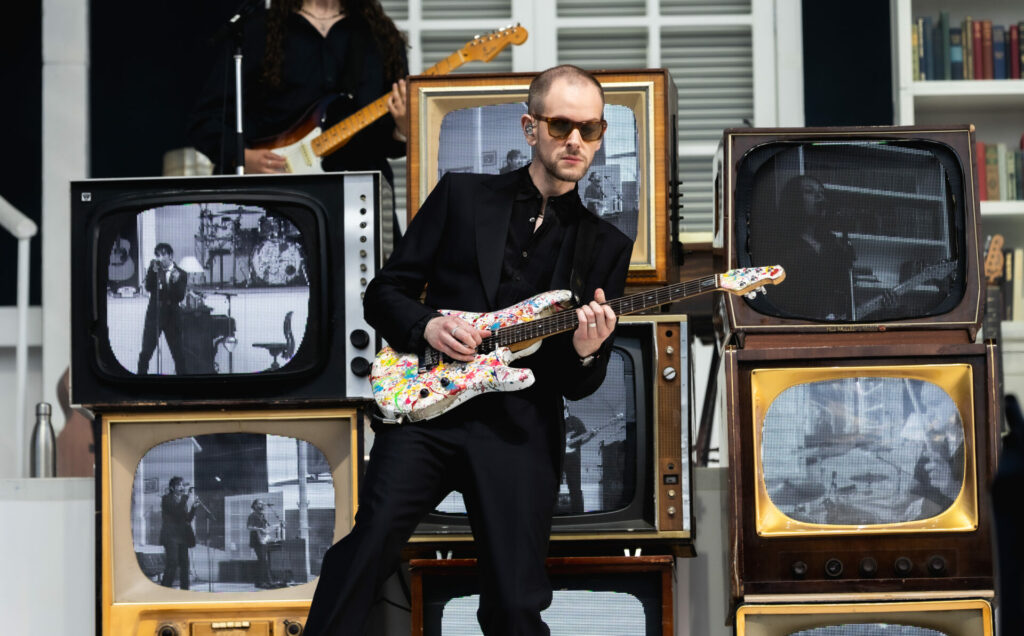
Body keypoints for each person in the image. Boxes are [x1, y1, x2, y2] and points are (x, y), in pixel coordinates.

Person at [303, 64, 633, 635]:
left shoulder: (605, 244)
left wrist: (586, 350)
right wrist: (428, 326)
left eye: (591, 129)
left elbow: (578, 382)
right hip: (427, 412)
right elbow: (385, 293)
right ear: (530, 128)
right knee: (369, 545)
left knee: (514, 600)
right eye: (560, 126)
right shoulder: (461, 195)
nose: (576, 141)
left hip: (518, 428)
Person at [187, 0, 409, 247]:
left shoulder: (379, 35)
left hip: (361, 202)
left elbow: (389, 139)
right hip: (280, 201)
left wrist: (402, 128)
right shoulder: (258, 31)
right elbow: (205, 120)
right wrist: (242, 157)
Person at [766, 174, 856, 320]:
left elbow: (844, 295)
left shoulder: (834, 245)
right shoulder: (779, 245)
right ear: (794, 200)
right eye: (810, 192)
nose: (820, 198)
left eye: (821, 193)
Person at [137, 243, 188, 375]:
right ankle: (139, 382)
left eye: (163, 254)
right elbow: (148, 287)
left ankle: (184, 387)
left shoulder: (181, 273)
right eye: (158, 255)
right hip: (155, 315)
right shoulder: (154, 269)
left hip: (172, 317)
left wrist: (176, 281)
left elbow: (180, 297)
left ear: (170, 255)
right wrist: (153, 273)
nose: (161, 258)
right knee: (145, 353)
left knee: (179, 355)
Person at [159, 476, 198, 589]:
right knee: (173, 563)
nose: (181, 487)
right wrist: (186, 499)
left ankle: (185, 589)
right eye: (179, 485)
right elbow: (175, 512)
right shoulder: (166, 499)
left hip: (182, 536)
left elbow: (187, 520)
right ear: (172, 488)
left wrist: (194, 508)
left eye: (182, 485)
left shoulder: (183, 500)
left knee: (185, 564)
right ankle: (165, 588)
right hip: (170, 536)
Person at [562, 415, 596, 514]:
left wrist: (590, 436)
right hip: (555, 458)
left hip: (573, 460)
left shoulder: (575, 421)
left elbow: (581, 441)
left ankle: (578, 515)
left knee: (575, 489)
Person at [247, 499, 275, 588]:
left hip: (263, 540)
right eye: (260, 503)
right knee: (263, 561)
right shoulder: (252, 515)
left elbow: (266, 527)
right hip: (257, 540)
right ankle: (264, 582)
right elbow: (249, 527)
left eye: (262, 503)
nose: (262, 505)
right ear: (255, 505)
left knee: (262, 561)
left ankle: (260, 582)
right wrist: (259, 529)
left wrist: (275, 527)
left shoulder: (262, 515)